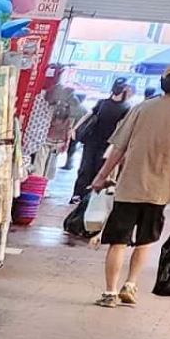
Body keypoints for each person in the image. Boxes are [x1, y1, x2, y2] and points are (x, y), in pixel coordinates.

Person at [92, 64, 170, 306]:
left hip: (130, 185)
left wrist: (101, 175)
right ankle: (130, 285)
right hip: (162, 189)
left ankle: (109, 292)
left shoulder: (141, 108)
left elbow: (119, 147)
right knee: (145, 241)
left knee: (118, 241)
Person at [62, 78, 132, 239]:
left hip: (107, 144)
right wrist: (76, 128)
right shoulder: (102, 102)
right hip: (92, 140)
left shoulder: (126, 107)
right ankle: (78, 194)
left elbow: (122, 128)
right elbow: (89, 115)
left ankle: (90, 199)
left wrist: (113, 146)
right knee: (85, 167)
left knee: (98, 171)